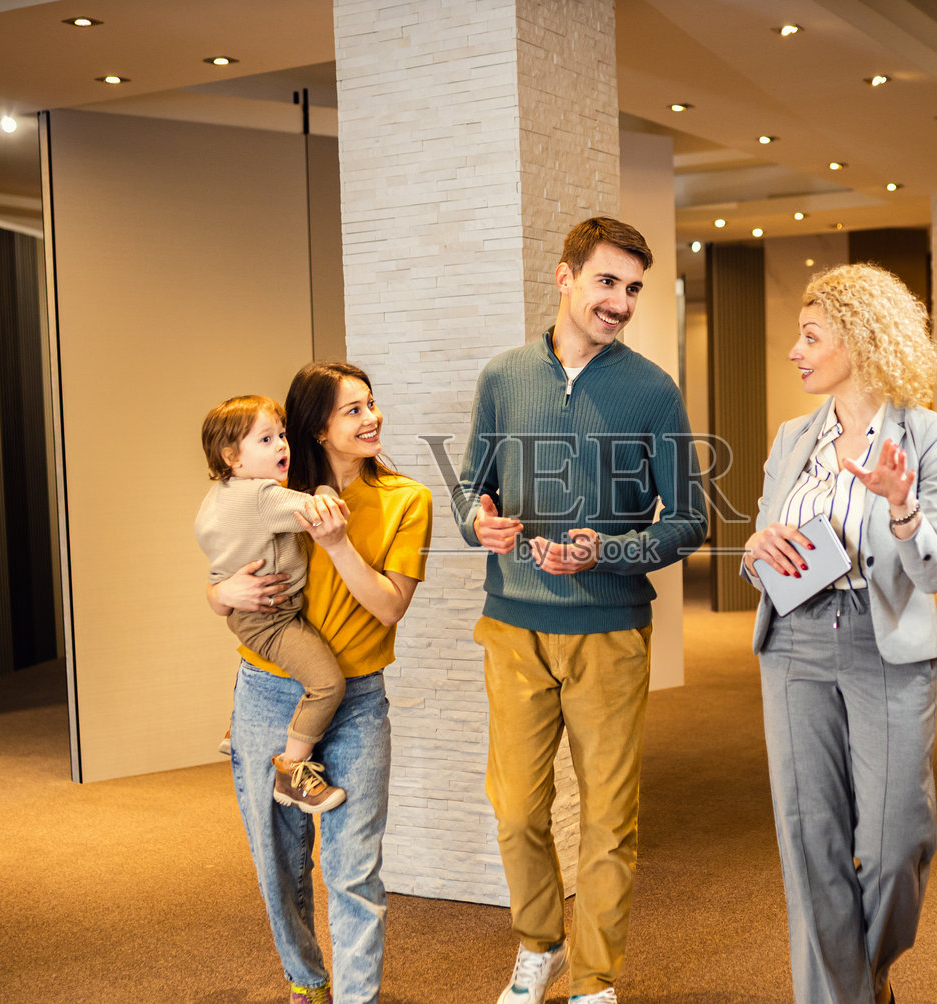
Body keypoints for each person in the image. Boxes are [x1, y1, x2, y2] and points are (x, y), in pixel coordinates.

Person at [454, 216, 709, 1004]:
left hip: (610, 633)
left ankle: (596, 981)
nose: (621, 302)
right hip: (514, 626)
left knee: (608, 818)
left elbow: (691, 519)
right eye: (607, 282)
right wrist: (480, 522)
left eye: (633, 288)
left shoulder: (651, 389)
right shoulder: (504, 376)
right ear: (565, 277)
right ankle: (540, 947)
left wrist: (611, 550)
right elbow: (471, 486)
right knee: (517, 808)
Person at [743, 263, 937, 1004]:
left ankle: (861, 984)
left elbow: (934, 573)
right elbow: (764, 544)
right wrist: (753, 550)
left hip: (885, 646)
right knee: (812, 844)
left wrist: (903, 508)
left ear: (862, 340)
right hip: (794, 645)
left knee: (896, 844)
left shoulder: (929, 436)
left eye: (811, 337)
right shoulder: (793, 437)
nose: (796, 352)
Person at [208, 362, 432, 1004]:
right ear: (317, 427)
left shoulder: (405, 500)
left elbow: (389, 607)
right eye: (353, 410)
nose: (372, 419)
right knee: (278, 865)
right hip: (267, 693)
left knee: (353, 867)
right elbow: (227, 572)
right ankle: (306, 982)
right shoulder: (274, 492)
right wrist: (219, 593)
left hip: (357, 702)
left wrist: (336, 545)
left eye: (372, 404)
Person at [196, 393, 349, 813]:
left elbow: (216, 571)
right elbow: (324, 511)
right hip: (273, 619)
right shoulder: (262, 496)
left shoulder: (216, 499)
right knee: (326, 684)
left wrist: (221, 592)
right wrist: (321, 487)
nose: (282, 445)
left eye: (281, 435)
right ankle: (292, 771)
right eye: (266, 440)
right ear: (233, 458)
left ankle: (237, 725)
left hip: (245, 614)